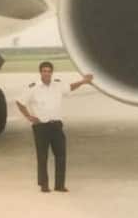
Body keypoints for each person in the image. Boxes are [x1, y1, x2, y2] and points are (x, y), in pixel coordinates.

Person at [16, 61, 93, 193]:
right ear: (40, 72)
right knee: (42, 156)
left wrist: (83, 81)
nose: (46, 73)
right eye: (44, 71)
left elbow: (70, 87)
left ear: (52, 72)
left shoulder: (57, 85)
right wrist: (28, 116)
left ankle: (59, 185)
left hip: (56, 126)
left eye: (48, 71)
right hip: (41, 127)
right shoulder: (33, 87)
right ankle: (44, 185)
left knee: (61, 155)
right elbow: (20, 102)